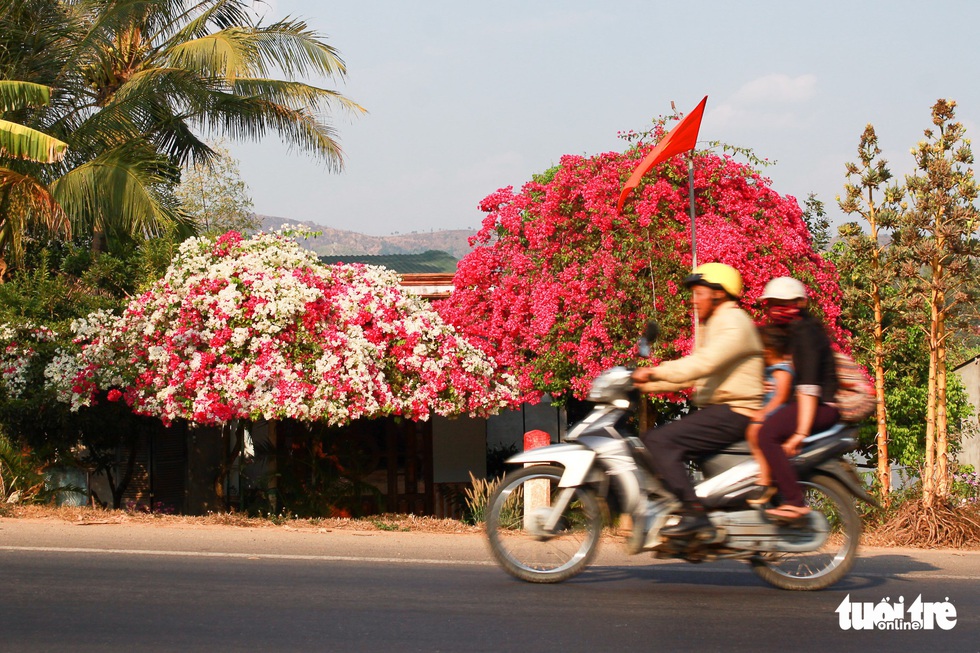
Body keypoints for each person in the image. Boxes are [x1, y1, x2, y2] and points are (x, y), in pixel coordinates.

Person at [632, 262, 763, 539]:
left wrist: (653, 372)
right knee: (659, 445)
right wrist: (643, 385)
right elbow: (691, 377)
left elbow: (702, 364)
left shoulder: (734, 322)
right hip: (722, 409)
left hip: (737, 410)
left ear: (719, 293)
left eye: (699, 293)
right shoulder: (714, 324)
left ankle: (694, 515)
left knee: (659, 441)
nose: (694, 300)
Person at [755, 277, 840, 524]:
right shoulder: (791, 331)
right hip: (805, 404)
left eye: (784, 304)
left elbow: (809, 387)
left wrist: (800, 433)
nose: (777, 309)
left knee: (766, 433)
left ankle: (794, 502)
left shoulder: (806, 333)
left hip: (820, 407)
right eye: (772, 304)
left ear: (801, 303)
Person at [745, 325, 794, 506]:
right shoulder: (772, 370)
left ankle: (764, 479)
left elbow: (780, 397)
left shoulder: (782, 371)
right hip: (769, 410)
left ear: (768, 352)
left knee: (755, 432)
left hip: (777, 413)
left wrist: (763, 413)